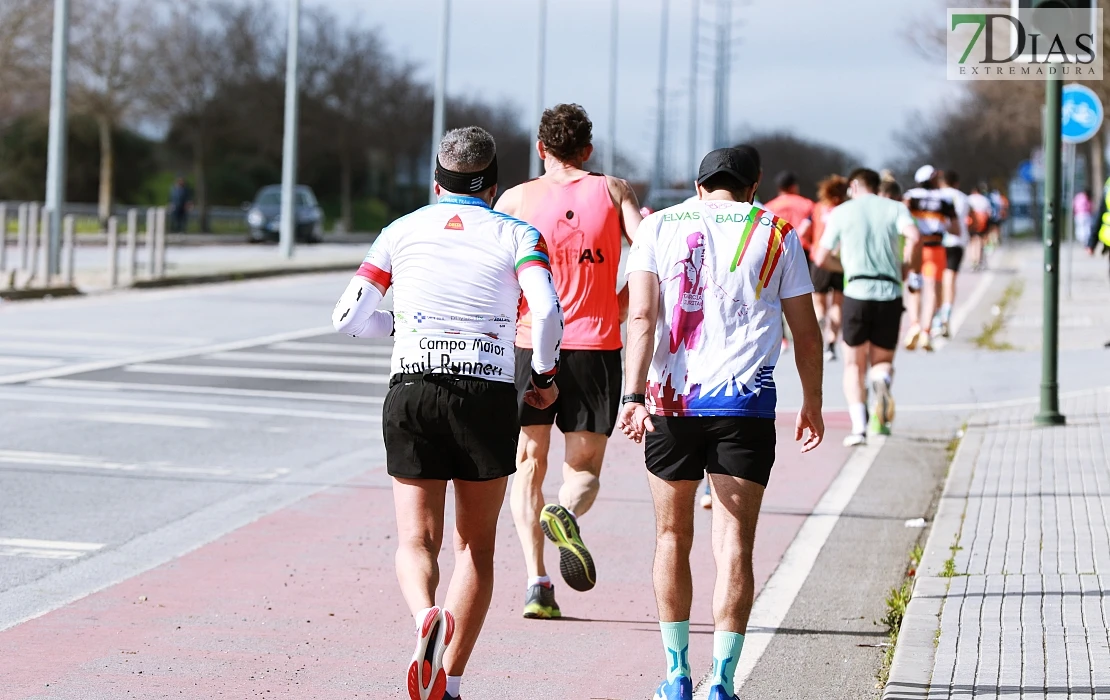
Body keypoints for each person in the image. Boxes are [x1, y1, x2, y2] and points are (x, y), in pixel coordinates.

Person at [332, 126, 564, 700]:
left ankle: (422, 619)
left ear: (437, 180)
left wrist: (400, 324)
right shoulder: (518, 234)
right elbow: (548, 313)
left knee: (417, 540)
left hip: (412, 386)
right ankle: (450, 683)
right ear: (493, 184)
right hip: (484, 391)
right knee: (475, 548)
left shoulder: (400, 230)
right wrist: (544, 377)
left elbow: (347, 317)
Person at [618, 146, 825, 700]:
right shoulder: (777, 230)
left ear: (698, 184)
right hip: (745, 408)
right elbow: (806, 333)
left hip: (670, 405)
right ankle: (723, 682)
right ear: (753, 186)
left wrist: (632, 396)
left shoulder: (658, 226)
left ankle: (677, 675)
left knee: (671, 536)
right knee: (734, 543)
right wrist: (812, 402)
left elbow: (641, 316)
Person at [494, 104, 643, 619]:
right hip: (595, 346)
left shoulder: (514, 199)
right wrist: (615, 307)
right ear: (588, 150)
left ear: (541, 149)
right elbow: (650, 261)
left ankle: (537, 583)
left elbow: (494, 272)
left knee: (527, 466)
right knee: (582, 471)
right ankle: (567, 511)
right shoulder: (614, 190)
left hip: (529, 342)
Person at [812, 168, 921, 446]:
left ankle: (859, 427)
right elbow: (915, 237)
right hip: (890, 292)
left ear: (855, 185)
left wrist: (845, 266)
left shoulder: (842, 212)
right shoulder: (895, 209)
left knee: (852, 364)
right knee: (881, 361)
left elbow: (821, 256)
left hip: (857, 292)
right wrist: (907, 266)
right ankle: (881, 379)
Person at [902, 165, 955, 352]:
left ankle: (914, 323)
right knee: (932, 288)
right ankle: (926, 330)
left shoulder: (910, 196)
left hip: (915, 247)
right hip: (935, 247)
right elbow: (955, 228)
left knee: (914, 287)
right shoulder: (945, 198)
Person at [807, 175, 849, 362]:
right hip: (841, 260)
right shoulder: (847, 210)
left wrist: (811, 245)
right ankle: (832, 344)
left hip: (820, 259)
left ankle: (821, 319)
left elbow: (803, 230)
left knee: (819, 302)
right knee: (838, 304)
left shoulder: (817, 209)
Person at [936, 170, 970, 339]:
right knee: (950, 280)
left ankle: (935, 317)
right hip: (957, 242)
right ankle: (946, 315)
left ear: (942, 182)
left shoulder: (936, 195)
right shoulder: (963, 198)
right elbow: (971, 221)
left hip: (938, 242)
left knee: (936, 281)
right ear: (956, 183)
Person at [967, 184, 992, 271]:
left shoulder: (968, 198)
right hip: (982, 223)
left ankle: (973, 260)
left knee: (972, 242)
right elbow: (989, 212)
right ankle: (978, 260)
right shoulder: (984, 199)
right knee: (980, 241)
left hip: (971, 223)